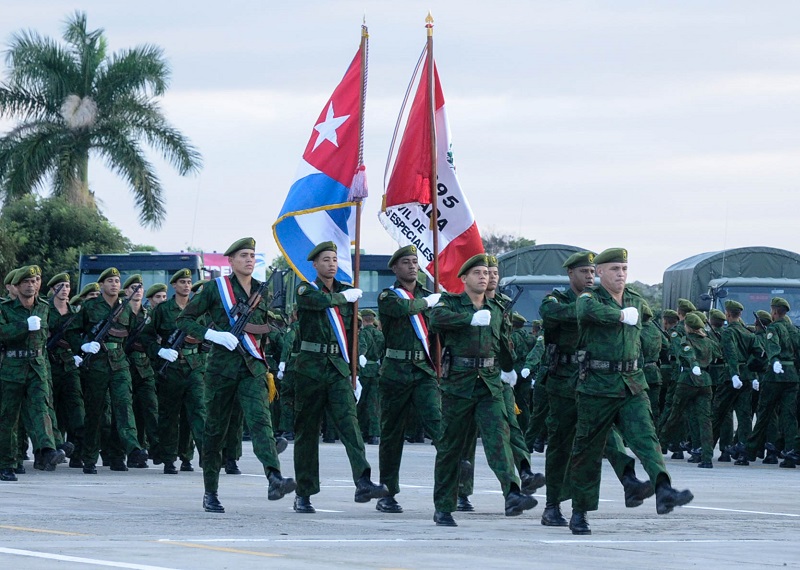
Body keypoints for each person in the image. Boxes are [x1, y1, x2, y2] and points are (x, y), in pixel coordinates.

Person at [568, 248, 693, 535]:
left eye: (624, 268)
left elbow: (646, 329)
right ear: (599, 272)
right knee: (587, 451)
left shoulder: (636, 299)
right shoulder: (590, 299)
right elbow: (587, 311)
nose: (621, 274)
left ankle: (663, 490)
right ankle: (580, 511)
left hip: (632, 382)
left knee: (646, 438)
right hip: (597, 385)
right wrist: (620, 316)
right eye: (614, 269)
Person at [177, 237, 295, 512]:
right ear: (230, 261)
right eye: (243, 255)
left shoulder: (261, 291)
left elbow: (274, 323)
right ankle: (210, 492)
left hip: (252, 367)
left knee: (261, 423)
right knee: (215, 430)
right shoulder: (215, 289)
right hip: (221, 369)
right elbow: (183, 320)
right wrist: (211, 334)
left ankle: (274, 478)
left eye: (252, 255)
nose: (249, 260)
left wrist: (269, 329)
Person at [539, 251, 651, 529]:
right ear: (571, 275)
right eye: (583, 272)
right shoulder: (557, 300)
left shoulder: (605, 300)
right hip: (563, 381)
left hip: (595, 379)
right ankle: (552, 504)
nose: (589, 277)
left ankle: (629, 480)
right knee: (561, 444)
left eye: (592, 272)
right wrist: (591, 309)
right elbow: (553, 314)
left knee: (607, 436)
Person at [429, 254, 535, 527]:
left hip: (489, 383)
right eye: (477, 273)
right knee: (451, 447)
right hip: (458, 385)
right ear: (464, 278)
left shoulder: (497, 308)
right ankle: (443, 506)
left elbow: (502, 342)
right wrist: (470, 319)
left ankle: (512, 493)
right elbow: (436, 319)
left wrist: (509, 368)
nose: (483, 277)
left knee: (499, 438)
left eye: (486, 274)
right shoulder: (450, 303)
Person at [292, 241, 389, 514]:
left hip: (337, 367)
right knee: (307, 432)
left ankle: (363, 481)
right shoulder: (305, 289)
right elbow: (317, 302)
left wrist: (354, 371)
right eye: (325, 259)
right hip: (310, 367)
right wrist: (343, 298)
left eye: (334, 259)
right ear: (314, 264)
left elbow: (351, 334)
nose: (331, 264)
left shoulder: (349, 293)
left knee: (350, 425)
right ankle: (304, 492)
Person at [375, 245, 442, 514]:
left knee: (437, 423)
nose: (412, 266)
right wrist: (429, 302)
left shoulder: (430, 295)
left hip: (423, 370)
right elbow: (405, 309)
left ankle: (455, 470)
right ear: (395, 268)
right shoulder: (388, 296)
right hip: (395, 370)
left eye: (415, 262)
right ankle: (387, 492)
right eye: (406, 262)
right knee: (392, 433)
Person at [66, 267, 148, 474]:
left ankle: (127, 451)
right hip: (97, 365)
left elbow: (132, 336)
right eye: (110, 281)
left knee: (123, 408)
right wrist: (82, 346)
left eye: (117, 281)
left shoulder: (126, 308)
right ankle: (90, 457)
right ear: (101, 285)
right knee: (96, 413)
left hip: (120, 364)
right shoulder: (90, 306)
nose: (114, 284)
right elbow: (73, 331)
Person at [0, 266, 66, 481]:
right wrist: (23, 325)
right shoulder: (5, 309)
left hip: (37, 366)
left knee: (41, 409)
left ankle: (46, 451)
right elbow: (2, 333)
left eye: (36, 280)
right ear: (17, 286)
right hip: (12, 367)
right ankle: (6, 463)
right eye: (26, 281)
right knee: (9, 418)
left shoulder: (44, 308)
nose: (31, 285)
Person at [142, 268, 207, 475]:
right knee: (169, 416)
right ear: (174, 286)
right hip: (171, 368)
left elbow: (207, 335)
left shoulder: (198, 309)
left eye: (189, 282)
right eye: (182, 282)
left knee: (198, 412)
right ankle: (169, 458)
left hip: (194, 366)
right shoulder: (162, 310)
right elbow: (146, 337)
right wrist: (160, 351)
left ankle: (204, 456)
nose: (187, 285)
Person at [742, 297, 799, 468]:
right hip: (792, 376)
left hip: (775, 376)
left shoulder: (773, 329)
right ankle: (790, 453)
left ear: (774, 311)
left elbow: (772, 346)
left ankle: (750, 452)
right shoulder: (793, 329)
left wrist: (774, 359)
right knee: (789, 417)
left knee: (764, 413)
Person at [659, 312, 720, 468]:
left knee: (675, 414)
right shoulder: (708, 341)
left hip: (687, 380)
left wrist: (694, 366)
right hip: (705, 381)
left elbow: (689, 355)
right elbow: (719, 354)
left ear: (688, 327)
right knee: (705, 420)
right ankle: (706, 457)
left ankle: (659, 446)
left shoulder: (686, 340)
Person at [45, 272, 85, 468]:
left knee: (76, 408)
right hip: (49, 365)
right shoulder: (44, 310)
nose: (65, 289)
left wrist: (80, 351)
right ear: (52, 290)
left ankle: (77, 452)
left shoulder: (75, 313)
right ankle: (52, 451)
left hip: (69, 365)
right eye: (60, 286)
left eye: (68, 286)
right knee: (51, 409)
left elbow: (80, 337)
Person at [123, 274, 159, 468]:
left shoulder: (148, 316)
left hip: (145, 367)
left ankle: (152, 448)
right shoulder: (120, 313)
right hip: (124, 365)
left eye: (140, 288)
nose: (137, 291)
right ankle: (130, 451)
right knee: (128, 412)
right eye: (133, 288)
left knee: (150, 409)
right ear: (127, 291)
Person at [357, 309, 384, 445]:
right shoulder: (380, 335)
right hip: (377, 370)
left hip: (365, 370)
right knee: (375, 403)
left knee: (361, 402)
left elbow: (362, 347)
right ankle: (375, 434)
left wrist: (361, 357)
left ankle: (363, 431)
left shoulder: (363, 334)